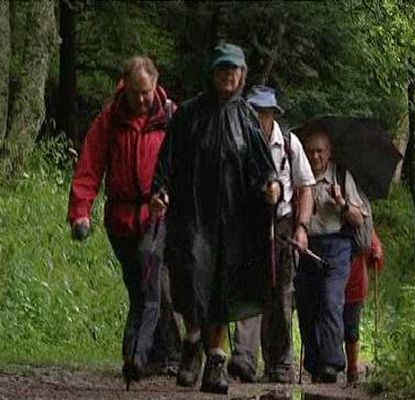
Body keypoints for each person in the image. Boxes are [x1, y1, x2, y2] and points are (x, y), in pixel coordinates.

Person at [150, 43, 280, 394]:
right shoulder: (189, 114)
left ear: (241, 75)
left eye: (234, 69)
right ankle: (193, 342)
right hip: (192, 213)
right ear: (212, 72)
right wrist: (160, 190)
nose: (228, 74)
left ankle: (216, 360)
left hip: (233, 218)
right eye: (222, 68)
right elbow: (167, 159)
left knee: (223, 284)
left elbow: (263, 166)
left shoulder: (247, 117)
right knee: (193, 275)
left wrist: (272, 185)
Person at [67, 56, 179, 383]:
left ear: (156, 84)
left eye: (146, 92)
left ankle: (136, 355)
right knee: (140, 287)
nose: (141, 99)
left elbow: (184, 164)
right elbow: (89, 166)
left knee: (149, 281)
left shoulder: (171, 117)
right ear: (124, 88)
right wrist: (80, 212)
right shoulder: (110, 120)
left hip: (156, 213)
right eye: (135, 93)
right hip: (119, 219)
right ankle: (162, 354)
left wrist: (172, 195)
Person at [227, 85, 315, 384]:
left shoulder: (290, 144)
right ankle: (244, 358)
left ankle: (279, 363)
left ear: (272, 115)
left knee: (281, 295)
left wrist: (302, 228)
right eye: (252, 112)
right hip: (248, 225)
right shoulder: (238, 143)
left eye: (262, 113)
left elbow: (305, 187)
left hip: (283, 226)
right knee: (247, 289)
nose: (256, 118)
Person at [296, 129, 368, 383]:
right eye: (310, 151)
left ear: (329, 152)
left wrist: (343, 203)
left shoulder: (341, 176)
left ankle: (331, 362)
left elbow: (359, 219)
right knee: (307, 305)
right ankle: (314, 364)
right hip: (306, 245)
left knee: (330, 299)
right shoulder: (298, 173)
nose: (315, 156)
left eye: (320, 151)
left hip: (338, 245)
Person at [343, 230, 384, 383]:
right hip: (332, 284)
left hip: (355, 284)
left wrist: (377, 253)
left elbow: (373, 244)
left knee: (351, 330)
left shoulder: (361, 223)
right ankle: (331, 366)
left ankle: (352, 369)